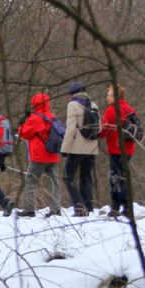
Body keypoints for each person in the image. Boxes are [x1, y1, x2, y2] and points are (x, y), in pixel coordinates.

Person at [16, 92, 62, 218]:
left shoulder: (35, 118)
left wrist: (21, 124)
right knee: (53, 181)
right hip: (53, 154)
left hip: (39, 156)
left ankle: (29, 209)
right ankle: (55, 208)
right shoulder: (52, 117)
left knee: (31, 180)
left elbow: (24, 133)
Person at [60, 81, 100, 217]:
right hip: (91, 148)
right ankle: (88, 207)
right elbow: (99, 128)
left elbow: (70, 129)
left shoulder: (73, 105)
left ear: (72, 93)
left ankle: (79, 207)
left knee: (67, 178)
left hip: (77, 148)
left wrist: (64, 148)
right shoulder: (93, 105)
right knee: (86, 178)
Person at [99, 84, 137, 218]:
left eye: (108, 96)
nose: (106, 98)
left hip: (116, 148)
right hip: (129, 149)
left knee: (115, 178)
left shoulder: (111, 110)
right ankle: (126, 206)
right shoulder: (130, 109)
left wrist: (95, 134)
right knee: (123, 176)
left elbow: (103, 129)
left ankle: (117, 206)